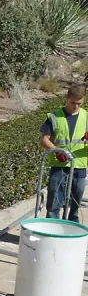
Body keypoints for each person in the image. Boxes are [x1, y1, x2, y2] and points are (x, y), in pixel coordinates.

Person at [40, 84, 88, 221]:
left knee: (76, 199)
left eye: (79, 103)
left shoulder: (86, 117)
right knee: (55, 199)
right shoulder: (55, 116)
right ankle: (52, 226)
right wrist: (57, 151)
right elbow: (44, 140)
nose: (75, 106)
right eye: (73, 103)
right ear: (67, 98)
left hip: (79, 165)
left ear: (83, 100)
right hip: (59, 165)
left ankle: (73, 226)